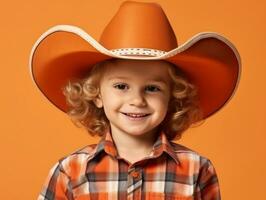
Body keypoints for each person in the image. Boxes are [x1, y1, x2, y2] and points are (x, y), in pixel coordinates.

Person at [29, 1, 241, 199]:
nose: (137, 100)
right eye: (121, 86)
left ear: (173, 95)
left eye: (152, 88)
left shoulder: (197, 169)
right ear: (96, 94)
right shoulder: (71, 171)